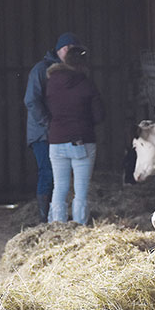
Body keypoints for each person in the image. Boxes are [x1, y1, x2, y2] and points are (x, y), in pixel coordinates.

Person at [24, 32, 84, 222]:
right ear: (61, 49)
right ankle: (44, 219)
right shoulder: (41, 70)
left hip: (59, 132)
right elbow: (31, 101)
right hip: (43, 133)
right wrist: (49, 124)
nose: (69, 53)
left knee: (59, 175)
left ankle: (53, 217)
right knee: (48, 172)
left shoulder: (69, 70)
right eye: (68, 49)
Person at [45, 41, 105, 225]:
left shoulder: (52, 81)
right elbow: (99, 115)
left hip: (56, 140)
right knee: (81, 190)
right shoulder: (86, 84)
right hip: (82, 140)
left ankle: (57, 226)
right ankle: (79, 226)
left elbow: (46, 108)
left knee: (59, 187)